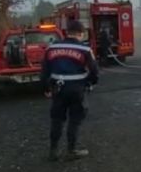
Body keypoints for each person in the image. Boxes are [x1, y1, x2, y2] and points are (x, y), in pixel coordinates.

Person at [41, 20, 99, 161]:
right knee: (75, 120)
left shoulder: (51, 48)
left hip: (58, 89)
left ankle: (53, 151)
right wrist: (90, 83)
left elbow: (44, 71)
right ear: (80, 34)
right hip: (77, 89)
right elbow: (94, 71)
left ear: (66, 32)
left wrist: (46, 88)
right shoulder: (85, 49)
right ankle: (71, 150)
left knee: (57, 119)